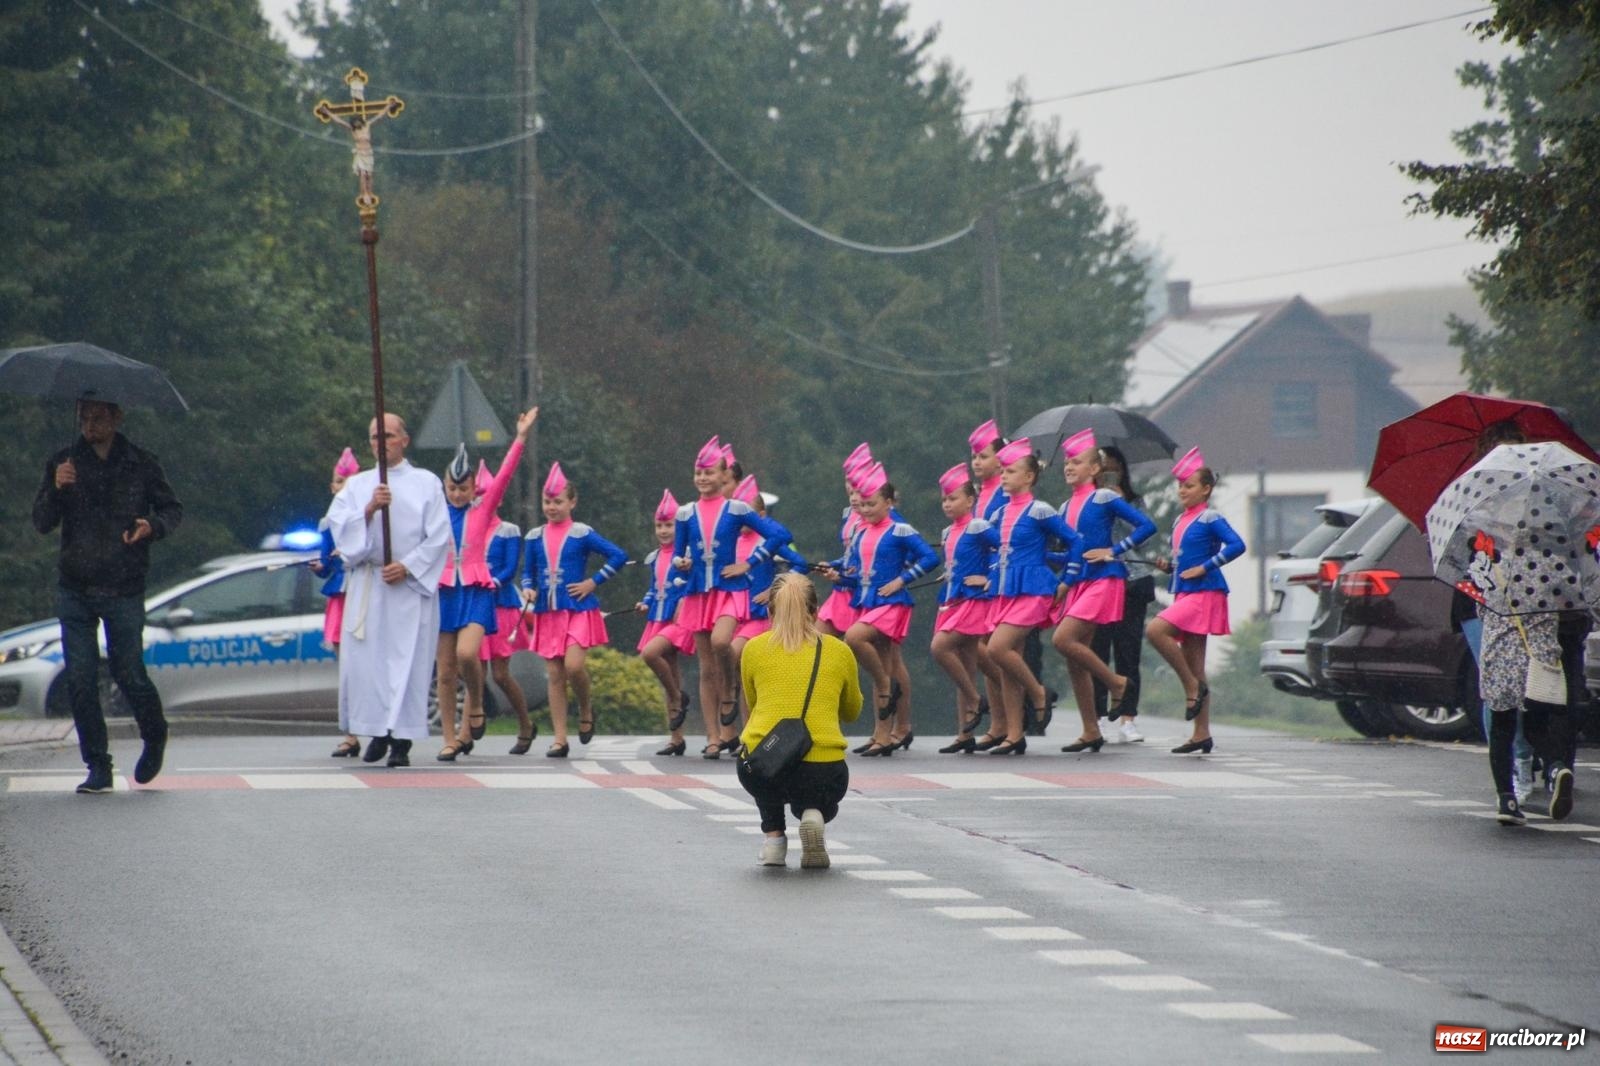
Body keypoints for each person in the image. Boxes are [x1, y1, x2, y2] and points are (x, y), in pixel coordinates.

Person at [32, 399, 183, 793]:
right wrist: (55, 487)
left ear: (117, 418)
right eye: (83, 418)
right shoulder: (63, 462)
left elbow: (172, 510)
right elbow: (42, 522)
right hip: (76, 586)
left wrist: (152, 526)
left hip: (124, 584)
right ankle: (97, 764)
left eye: (98, 418)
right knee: (80, 678)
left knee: (128, 671)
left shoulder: (141, 463)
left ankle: (154, 733)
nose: (89, 426)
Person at [327, 412, 450, 768]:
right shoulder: (358, 485)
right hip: (370, 583)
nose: (382, 443)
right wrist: (369, 509)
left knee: (406, 663)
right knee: (369, 665)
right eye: (375, 438)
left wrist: (408, 565)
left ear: (404, 440)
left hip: (408, 588)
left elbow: (440, 535)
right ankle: (377, 730)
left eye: (389, 436)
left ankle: (401, 740)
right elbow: (340, 530)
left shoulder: (426, 482)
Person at [737, 572, 863, 869]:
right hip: (823, 771)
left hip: (767, 770)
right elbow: (852, 711)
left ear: (769, 612)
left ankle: (774, 841)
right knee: (820, 784)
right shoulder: (839, 650)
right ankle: (814, 813)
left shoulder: (753, 649)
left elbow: (754, 705)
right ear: (816, 610)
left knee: (756, 756)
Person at [673, 436, 786, 758]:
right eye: (699, 473)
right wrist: (682, 564)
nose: (703, 478)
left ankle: (731, 690)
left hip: (729, 591)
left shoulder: (736, 509)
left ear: (724, 476)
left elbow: (778, 535)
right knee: (706, 667)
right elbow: (679, 555)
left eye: (709, 472)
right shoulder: (685, 513)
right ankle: (712, 736)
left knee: (724, 642)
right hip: (698, 593)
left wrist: (748, 562)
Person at [434, 408, 537, 761]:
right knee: (445, 672)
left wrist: (520, 438)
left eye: (464, 488)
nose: (458, 494)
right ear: (444, 485)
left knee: (467, 654)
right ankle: (449, 737)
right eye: (452, 488)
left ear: (474, 489)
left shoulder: (483, 510)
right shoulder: (435, 511)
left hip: (479, 590)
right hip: (446, 591)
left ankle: (476, 703)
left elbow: (506, 474)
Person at [967, 439, 1079, 756]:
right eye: (1002, 470)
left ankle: (1038, 692)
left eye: (1011, 471)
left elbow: (1074, 542)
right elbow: (993, 549)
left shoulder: (1040, 510)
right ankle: (1014, 734)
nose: (1003, 476)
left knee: (998, 648)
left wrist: (1067, 580)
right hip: (1005, 589)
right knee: (1004, 663)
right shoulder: (1000, 513)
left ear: (1029, 477)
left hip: (1034, 590)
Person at [1049, 431, 1155, 753]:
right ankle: (1090, 730)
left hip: (1105, 579)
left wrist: (1115, 549)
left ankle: (1116, 683)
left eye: (1076, 461)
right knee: (1073, 657)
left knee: (1062, 639)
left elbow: (1147, 526)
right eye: (1067, 461)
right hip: (1078, 582)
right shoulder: (1066, 505)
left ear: (1095, 469)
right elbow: (1071, 553)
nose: (1069, 466)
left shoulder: (1105, 498)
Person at [826, 462, 938, 756]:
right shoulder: (862, 532)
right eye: (861, 504)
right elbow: (857, 570)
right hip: (868, 602)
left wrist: (902, 580)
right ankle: (882, 735)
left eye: (872, 504)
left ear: (889, 502)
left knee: (854, 637)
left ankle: (886, 685)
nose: (865, 510)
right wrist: (838, 575)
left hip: (891, 604)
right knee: (884, 661)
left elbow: (929, 558)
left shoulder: (899, 530)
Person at [521, 462, 629, 757]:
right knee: (555, 674)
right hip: (548, 611)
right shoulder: (533, 537)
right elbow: (528, 572)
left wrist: (593, 583)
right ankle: (559, 738)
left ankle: (584, 707)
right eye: (547, 502)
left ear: (572, 502)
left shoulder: (582, 533)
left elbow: (618, 556)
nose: (552, 507)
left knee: (574, 666)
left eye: (558, 502)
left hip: (578, 610)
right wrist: (528, 587)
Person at [1146, 449, 1246, 755]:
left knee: (1155, 630)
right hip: (1186, 591)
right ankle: (1201, 733)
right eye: (1180, 486)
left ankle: (1191, 686)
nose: (1182, 491)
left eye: (1189, 486)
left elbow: (1237, 545)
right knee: (1196, 666)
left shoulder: (1210, 517)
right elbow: (1184, 559)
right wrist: (1169, 567)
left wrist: (1205, 566)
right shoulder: (1181, 519)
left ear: (1206, 489)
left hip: (1205, 592)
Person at [1089, 445, 1158, 744]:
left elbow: (1143, 539)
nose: (1108, 474)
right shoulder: (1089, 503)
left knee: (1128, 651)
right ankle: (1099, 716)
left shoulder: (1134, 501)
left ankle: (1129, 718)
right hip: (1099, 582)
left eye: (1113, 469)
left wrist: (1121, 504)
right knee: (1098, 650)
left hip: (1132, 579)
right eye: (1103, 469)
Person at [728, 476, 808, 727]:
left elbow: (800, 564)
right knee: (744, 672)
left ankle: (761, 723)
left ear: (761, 514)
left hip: (758, 614)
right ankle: (747, 730)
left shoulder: (768, 540)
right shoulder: (730, 540)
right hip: (731, 611)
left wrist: (775, 589)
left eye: (749, 513)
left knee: (739, 655)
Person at [931, 464, 996, 753]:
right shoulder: (948, 532)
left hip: (973, 602)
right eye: (944, 499)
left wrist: (989, 577)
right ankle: (965, 733)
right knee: (966, 665)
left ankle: (975, 700)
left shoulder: (979, 526)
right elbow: (957, 560)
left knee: (940, 647)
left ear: (970, 501)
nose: (947, 503)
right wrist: (949, 574)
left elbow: (1005, 551)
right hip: (953, 600)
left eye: (953, 498)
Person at [478, 461, 538, 756]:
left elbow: (510, 568)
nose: (481, 498)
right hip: (473, 606)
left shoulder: (508, 530)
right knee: (471, 669)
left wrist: (488, 581)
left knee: (500, 674)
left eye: (486, 493)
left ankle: (526, 723)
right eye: (476, 492)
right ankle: (468, 728)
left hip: (500, 605)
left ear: (498, 496)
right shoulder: (464, 528)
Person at [638, 490, 695, 756]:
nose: (663, 530)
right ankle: (676, 738)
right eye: (659, 525)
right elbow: (654, 587)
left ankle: (678, 697)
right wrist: (645, 601)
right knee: (669, 672)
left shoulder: (686, 555)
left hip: (679, 619)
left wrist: (684, 601)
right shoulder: (654, 557)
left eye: (669, 525)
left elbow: (692, 584)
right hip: (657, 618)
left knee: (650, 654)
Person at [316, 447, 361, 757]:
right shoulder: (327, 523)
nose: (343, 486)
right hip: (339, 598)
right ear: (332, 487)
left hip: (365, 593)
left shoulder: (369, 516)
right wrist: (322, 567)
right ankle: (351, 733)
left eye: (350, 481)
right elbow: (326, 565)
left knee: (370, 663)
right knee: (347, 668)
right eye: (338, 481)